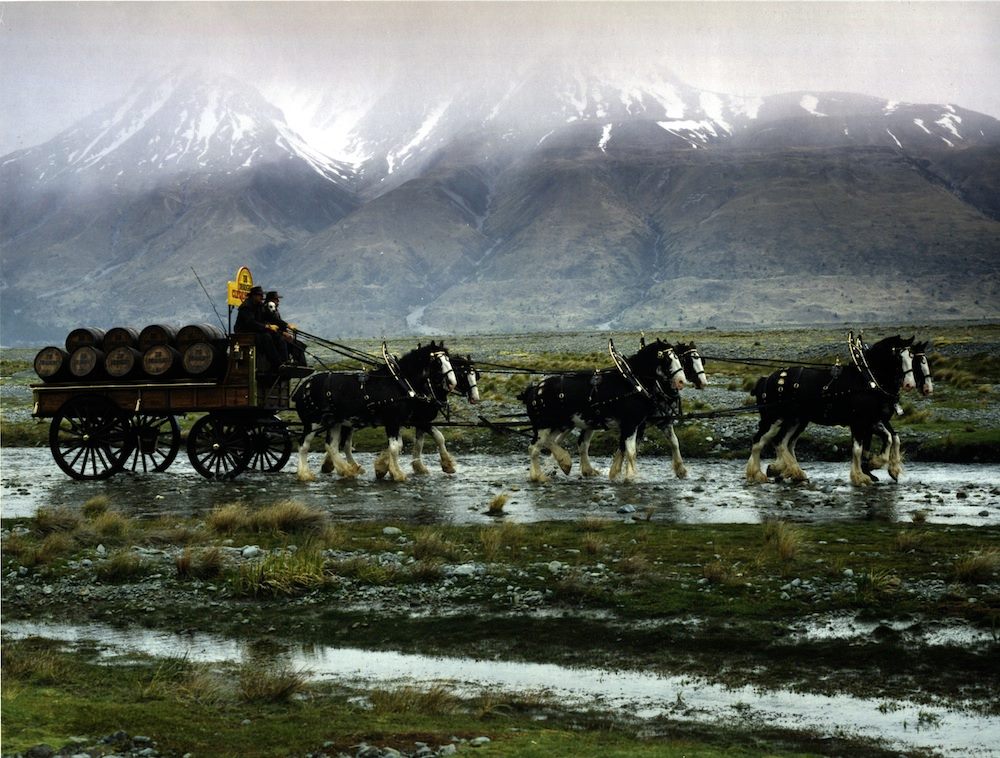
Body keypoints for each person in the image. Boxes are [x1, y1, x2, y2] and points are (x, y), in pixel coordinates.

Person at [234, 285, 287, 369]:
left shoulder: (259, 306)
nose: (262, 297)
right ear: (253, 296)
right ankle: (277, 364)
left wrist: (285, 326)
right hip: (245, 333)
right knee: (266, 337)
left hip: (257, 331)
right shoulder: (246, 306)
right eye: (260, 295)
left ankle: (284, 362)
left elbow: (269, 317)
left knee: (278, 336)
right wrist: (266, 326)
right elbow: (250, 323)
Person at [265, 290, 307, 366]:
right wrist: (286, 327)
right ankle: (285, 361)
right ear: (271, 300)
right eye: (276, 299)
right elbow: (275, 320)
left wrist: (286, 330)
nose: (278, 301)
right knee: (284, 340)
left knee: (299, 344)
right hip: (272, 333)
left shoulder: (274, 309)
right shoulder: (269, 307)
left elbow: (278, 322)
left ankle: (301, 363)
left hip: (277, 332)